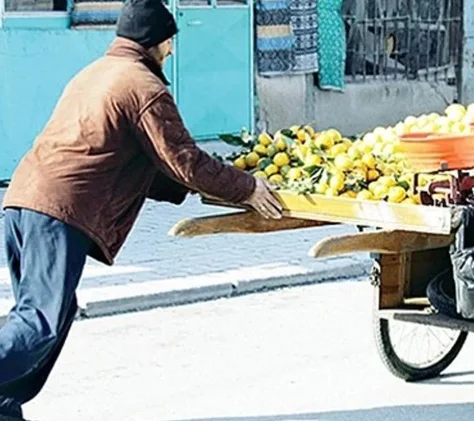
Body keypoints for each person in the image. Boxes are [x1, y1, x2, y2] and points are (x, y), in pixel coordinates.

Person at [0, 0, 283, 418]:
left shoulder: (94, 74)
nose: (170, 52)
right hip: (59, 211)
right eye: (169, 43)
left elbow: (138, 161)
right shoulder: (143, 87)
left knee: (45, 315)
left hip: (23, 202)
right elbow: (184, 160)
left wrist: (201, 191)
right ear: (159, 41)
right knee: (40, 321)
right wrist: (246, 188)